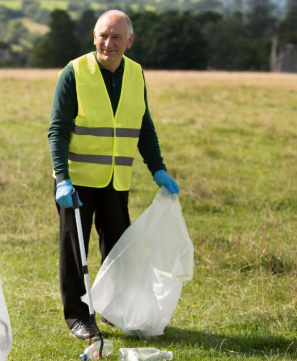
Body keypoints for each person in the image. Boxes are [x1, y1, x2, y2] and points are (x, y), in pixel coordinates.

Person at [47, 10, 180, 340]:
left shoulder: (136, 74)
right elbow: (58, 130)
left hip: (116, 180)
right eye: (103, 35)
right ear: (94, 36)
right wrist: (62, 178)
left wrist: (158, 169)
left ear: (130, 41)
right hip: (75, 181)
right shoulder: (74, 73)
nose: (108, 43)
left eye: (116, 37)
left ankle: (115, 309)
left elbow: (143, 126)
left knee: (119, 250)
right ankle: (78, 317)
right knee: (75, 251)